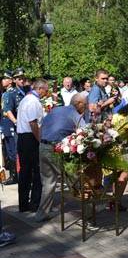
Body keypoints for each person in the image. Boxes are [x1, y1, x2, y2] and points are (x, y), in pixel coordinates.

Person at [35, 93, 88, 222]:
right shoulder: (74, 114)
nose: (85, 107)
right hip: (56, 149)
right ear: (79, 104)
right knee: (74, 179)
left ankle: (41, 214)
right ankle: (88, 211)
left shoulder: (56, 110)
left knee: (48, 183)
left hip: (43, 146)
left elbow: (41, 126)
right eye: (85, 105)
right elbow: (85, 132)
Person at [16, 78, 49, 212]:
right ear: (40, 89)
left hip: (23, 138)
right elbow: (33, 123)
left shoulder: (26, 99)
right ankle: (34, 203)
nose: (46, 93)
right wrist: (40, 140)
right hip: (30, 138)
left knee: (25, 172)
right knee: (36, 171)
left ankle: (23, 203)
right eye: (46, 90)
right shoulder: (33, 101)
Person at [1, 68, 25, 185]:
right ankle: (15, 175)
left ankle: (15, 176)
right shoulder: (11, 93)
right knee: (11, 151)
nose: (2, 81)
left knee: (13, 151)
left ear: (11, 81)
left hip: (12, 126)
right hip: (8, 125)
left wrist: (15, 122)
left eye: (5, 78)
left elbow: (8, 110)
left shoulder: (10, 93)